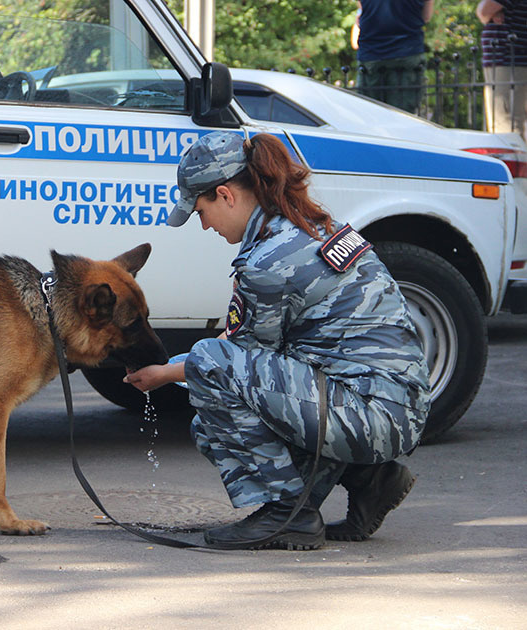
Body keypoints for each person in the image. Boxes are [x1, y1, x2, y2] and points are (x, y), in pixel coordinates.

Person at [123, 132, 430, 551]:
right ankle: (370, 479)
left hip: (370, 410)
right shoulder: (308, 226)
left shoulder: (269, 261)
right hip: (388, 406)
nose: (205, 225)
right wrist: (175, 368)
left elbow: (230, 360)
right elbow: (247, 352)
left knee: (211, 379)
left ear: (226, 195)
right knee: (209, 411)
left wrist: (165, 374)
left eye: (201, 211)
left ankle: (289, 514)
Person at [355, 0, 434, 113]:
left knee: (371, 115)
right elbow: (426, 17)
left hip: (372, 54)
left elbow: (361, 15)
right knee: (403, 116)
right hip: (408, 52)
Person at [477, 0, 527, 139]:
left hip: (507, 59)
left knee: (506, 124)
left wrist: (487, 10)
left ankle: (512, 160)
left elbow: (484, 11)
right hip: (513, 58)